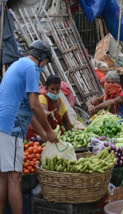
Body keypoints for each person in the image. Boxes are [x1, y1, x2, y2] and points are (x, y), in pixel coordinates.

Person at [0, 40, 58, 214]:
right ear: (41, 58)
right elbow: (34, 105)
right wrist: (49, 130)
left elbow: (27, 108)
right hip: (12, 126)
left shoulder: (18, 64)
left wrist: (43, 134)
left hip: (3, 123)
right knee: (15, 178)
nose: (44, 68)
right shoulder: (31, 68)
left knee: (3, 175)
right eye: (46, 63)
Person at [26, 75, 72, 140]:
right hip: (36, 135)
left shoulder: (61, 102)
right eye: (52, 89)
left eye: (57, 89)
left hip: (49, 136)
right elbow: (43, 109)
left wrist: (70, 135)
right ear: (46, 89)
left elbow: (66, 121)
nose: (55, 92)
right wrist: (47, 113)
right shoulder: (42, 98)